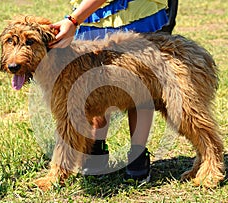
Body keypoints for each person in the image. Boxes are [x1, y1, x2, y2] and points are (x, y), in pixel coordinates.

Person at [49, 0, 175, 183]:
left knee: (141, 83)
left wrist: (74, 20)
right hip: (92, 15)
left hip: (134, 12)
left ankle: (137, 154)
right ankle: (95, 148)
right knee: (95, 80)